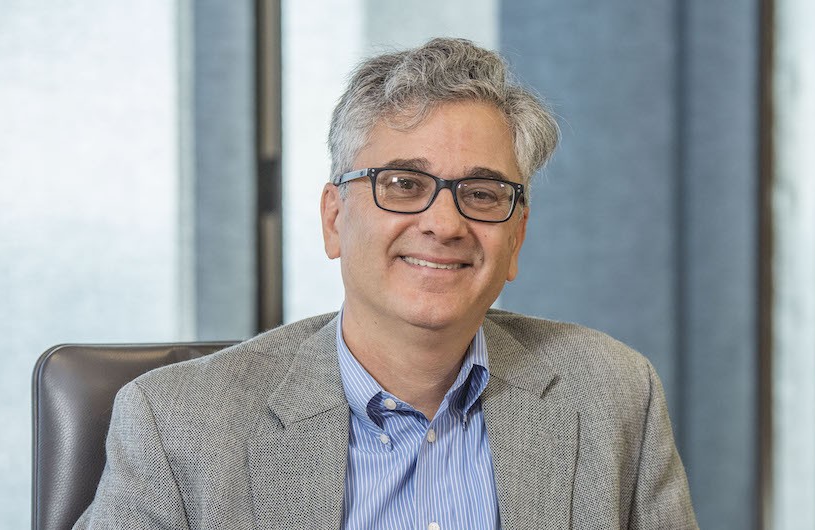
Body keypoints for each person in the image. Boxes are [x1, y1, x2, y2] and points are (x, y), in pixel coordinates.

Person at [75, 38, 697, 529]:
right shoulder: (178, 422)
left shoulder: (613, 394)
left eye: (482, 193)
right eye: (403, 184)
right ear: (333, 219)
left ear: (517, 239)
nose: (445, 224)